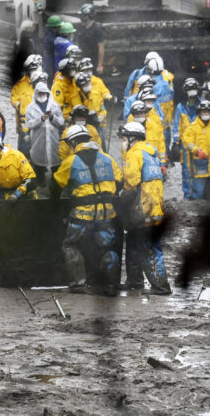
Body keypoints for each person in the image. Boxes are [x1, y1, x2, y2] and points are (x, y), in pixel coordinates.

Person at [51, 124, 123, 295]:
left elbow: (54, 187)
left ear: (74, 141)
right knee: (108, 248)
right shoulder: (107, 158)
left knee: (70, 244)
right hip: (107, 213)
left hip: (82, 214)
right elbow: (120, 181)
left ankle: (78, 284)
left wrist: (60, 212)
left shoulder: (70, 161)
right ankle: (111, 285)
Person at [117, 122, 171, 294]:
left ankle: (161, 286)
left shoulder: (135, 154)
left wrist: (120, 199)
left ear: (132, 138)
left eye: (124, 138)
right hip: (153, 206)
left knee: (148, 248)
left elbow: (131, 184)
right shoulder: (151, 154)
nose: (123, 142)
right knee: (133, 243)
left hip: (143, 208)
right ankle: (134, 281)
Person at [182, 100, 210, 200]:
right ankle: (194, 206)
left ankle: (207, 210)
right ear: (199, 113)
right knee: (199, 189)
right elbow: (186, 139)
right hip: (200, 164)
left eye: (207, 112)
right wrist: (197, 150)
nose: (205, 114)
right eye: (203, 112)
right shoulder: (193, 127)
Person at [25, 80, 65, 186]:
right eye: (40, 93)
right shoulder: (30, 108)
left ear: (47, 93)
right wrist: (40, 119)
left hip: (53, 139)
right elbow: (28, 124)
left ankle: (54, 183)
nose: (42, 95)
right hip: (38, 140)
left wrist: (52, 117)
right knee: (39, 163)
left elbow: (61, 122)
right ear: (36, 94)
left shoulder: (55, 106)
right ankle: (40, 182)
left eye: (44, 93)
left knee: (55, 162)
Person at [172, 78, 200, 199]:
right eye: (190, 89)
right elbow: (176, 126)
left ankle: (198, 194)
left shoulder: (202, 105)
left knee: (200, 169)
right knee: (186, 170)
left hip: (199, 144)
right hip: (185, 146)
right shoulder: (181, 107)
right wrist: (176, 142)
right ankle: (187, 194)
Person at [127, 92, 167, 167]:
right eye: (137, 114)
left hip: (153, 164)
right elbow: (124, 150)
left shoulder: (155, 127)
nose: (139, 116)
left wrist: (162, 161)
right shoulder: (129, 130)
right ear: (133, 115)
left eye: (141, 113)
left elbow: (161, 144)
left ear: (145, 113)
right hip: (136, 164)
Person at [11, 54, 41, 156]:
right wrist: (18, 105)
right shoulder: (21, 84)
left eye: (34, 69)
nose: (32, 72)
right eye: (30, 69)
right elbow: (14, 98)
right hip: (23, 124)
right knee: (23, 150)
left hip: (38, 125)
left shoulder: (44, 83)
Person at [76, 58, 114, 131]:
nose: (88, 72)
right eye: (86, 70)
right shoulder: (76, 85)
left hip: (97, 117)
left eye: (89, 70)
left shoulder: (97, 81)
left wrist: (109, 97)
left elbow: (104, 91)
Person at [77, 4, 105, 75]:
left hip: (93, 61)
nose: (82, 17)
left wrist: (99, 65)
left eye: (84, 15)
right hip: (83, 59)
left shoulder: (97, 29)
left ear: (89, 16)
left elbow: (101, 47)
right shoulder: (82, 28)